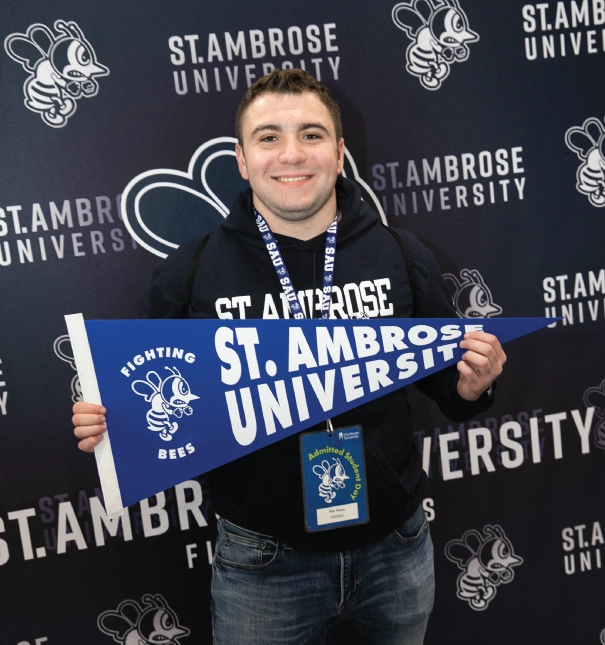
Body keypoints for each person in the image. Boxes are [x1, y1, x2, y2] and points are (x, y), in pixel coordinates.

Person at [73, 69, 506, 644]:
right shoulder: (192, 272)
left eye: (312, 134)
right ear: (243, 159)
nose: (292, 154)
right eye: (269, 137)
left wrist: (475, 384)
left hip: (394, 552)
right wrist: (113, 424)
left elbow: (449, 391)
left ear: (339, 151)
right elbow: (164, 397)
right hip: (263, 562)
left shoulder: (400, 254)